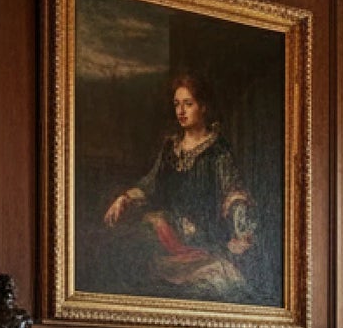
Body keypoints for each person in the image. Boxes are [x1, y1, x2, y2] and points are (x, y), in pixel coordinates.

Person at [104, 75, 257, 299]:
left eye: (188, 103)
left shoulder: (217, 150)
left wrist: (241, 227)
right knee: (122, 253)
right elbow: (150, 184)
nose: (181, 111)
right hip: (165, 230)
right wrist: (124, 199)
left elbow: (233, 191)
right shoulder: (170, 147)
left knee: (222, 282)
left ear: (203, 107)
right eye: (177, 104)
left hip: (202, 235)